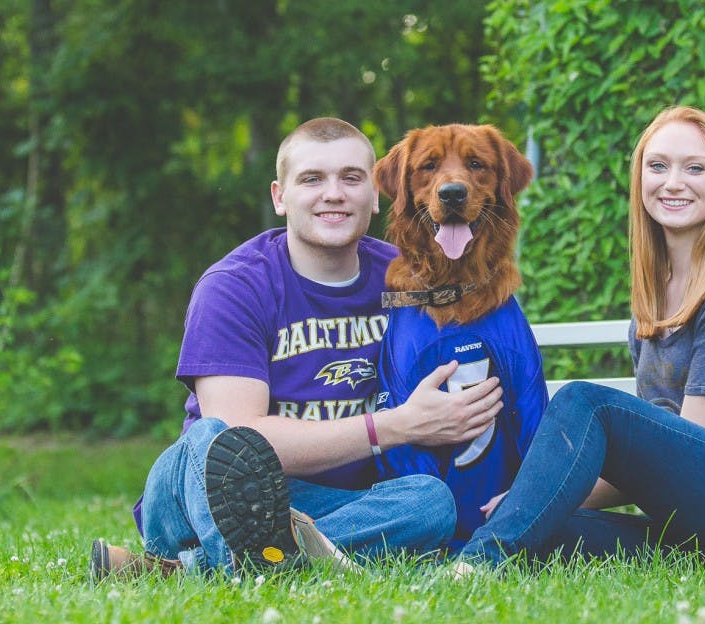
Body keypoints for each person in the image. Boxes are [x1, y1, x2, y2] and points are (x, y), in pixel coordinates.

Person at [90, 117, 504, 578]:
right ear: (279, 197)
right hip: (200, 494)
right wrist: (396, 426)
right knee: (213, 438)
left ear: (375, 194)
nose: (333, 194)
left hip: (334, 504)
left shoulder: (407, 280)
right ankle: (254, 554)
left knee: (429, 503)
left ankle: (200, 568)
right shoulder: (234, 286)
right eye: (312, 179)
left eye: (351, 178)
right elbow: (240, 442)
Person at [456, 106, 705, 571]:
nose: (673, 182)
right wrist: (532, 502)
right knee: (544, 533)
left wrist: (535, 494)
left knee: (586, 403)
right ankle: (478, 546)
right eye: (657, 166)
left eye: (694, 168)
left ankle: (474, 566)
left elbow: (694, 446)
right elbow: (666, 460)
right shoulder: (655, 301)